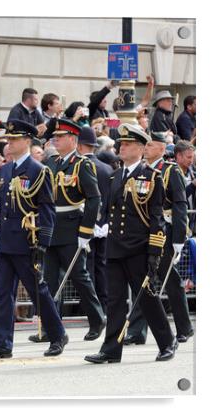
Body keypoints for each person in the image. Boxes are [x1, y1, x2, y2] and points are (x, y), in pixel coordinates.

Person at [84, 123, 177, 364]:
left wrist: (155, 252)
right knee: (115, 301)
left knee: (146, 298)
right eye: (121, 144)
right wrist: (101, 227)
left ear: (139, 148)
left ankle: (167, 342)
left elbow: (157, 220)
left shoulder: (151, 177)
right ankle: (110, 350)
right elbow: (110, 212)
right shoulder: (115, 176)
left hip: (139, 249)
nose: (121, 148)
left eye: (126, 144)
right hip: (115, 248)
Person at [0, 120, 68, 359]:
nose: (10, 144)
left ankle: (57, 334)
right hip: (6, 241)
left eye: (15, 139)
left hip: (28, 242)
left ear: (27, 141)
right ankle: (2, 343)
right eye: (9, 140)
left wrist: (42, 243)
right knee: (3, 294)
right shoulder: (6, 170)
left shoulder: (39, 170)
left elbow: (47, 209)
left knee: (38, 291)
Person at [32, 118, 105, 343]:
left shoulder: (82, 164)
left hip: (73, 226)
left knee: (79, 277)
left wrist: (85, 231)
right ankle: (51, 328)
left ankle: (96, 318)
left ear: (73, 140)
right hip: (53, 225)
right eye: (56, 136)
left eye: (61, 137)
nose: (56, 139)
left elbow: (94, 199)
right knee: (49, 280)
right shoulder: (51, 163)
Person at [123, 132, 193, 344]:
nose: (146, 148)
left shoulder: (170, 170)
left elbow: (180, 204)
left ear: (162, 149)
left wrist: (179, 238)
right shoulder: (141, 170)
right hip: (143, 230)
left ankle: (184, 327)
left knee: (169, 280)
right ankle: (137, 331)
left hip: (165, 230)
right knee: (142, 280)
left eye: (151, 145)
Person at [77, 126, 113, 315]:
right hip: (104, 225)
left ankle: (92, 309)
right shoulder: (107, 168)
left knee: (87, 268)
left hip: (84, 224)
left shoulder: (79, 167)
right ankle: (104, 306)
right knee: (101, 267)